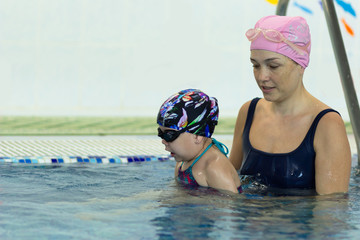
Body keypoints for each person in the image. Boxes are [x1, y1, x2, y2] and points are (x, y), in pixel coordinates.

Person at [229, 15, 351, 195]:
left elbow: (330, 214)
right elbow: (228, 184)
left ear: (301, 65)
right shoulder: (248, 112)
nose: (262, 77)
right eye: (255, 65)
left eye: (273, 66)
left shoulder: (327, 124)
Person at [157, 89, 242, 194]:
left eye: (170, 134)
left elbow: (231, 206)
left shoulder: (214, 167)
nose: (163, 140)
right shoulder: (182, 159)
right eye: (160, 133)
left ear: (198, 135)